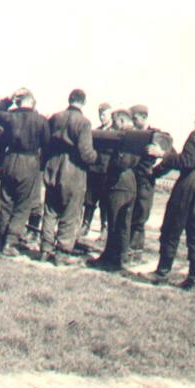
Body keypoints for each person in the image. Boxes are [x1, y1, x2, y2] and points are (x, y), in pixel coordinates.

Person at [146, 106, 195, 290]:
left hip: (188, 187)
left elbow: (187, 161)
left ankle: (162, 272)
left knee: (171, 230)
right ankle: (194, 279)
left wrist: (163, 154)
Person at [0, 88, 49, 256]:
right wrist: (41, 166)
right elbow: (47, 145)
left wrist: (9, 100)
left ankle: (2, 239)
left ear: (20, 102)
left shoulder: (10, 117)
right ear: (32, 102)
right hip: (29, 162)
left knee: (7, 201)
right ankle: (11, 242)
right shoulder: (41, 121)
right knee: (23, 205)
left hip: (9, 159)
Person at [40, 89, 98, 264]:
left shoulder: (55, 117)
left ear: (69, 99)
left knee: (50, 210)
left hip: (53, 165)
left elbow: (46, 143)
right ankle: (62, 254)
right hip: (72, 169)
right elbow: (86, 153)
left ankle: (45, 250)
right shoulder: (84, 123)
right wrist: (96, 158)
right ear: (83, 102)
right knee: (70, 212)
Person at [87, 109, 139, 271]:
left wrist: (109, 161)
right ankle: (116, 257)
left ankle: (114, 260)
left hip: (119, 184)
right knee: (121, 224)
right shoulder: (138, 137)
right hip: (129, 183)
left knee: (117, 223)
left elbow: (123, 162)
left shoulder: (127, 137)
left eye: (116, 123)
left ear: (122, 121)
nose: (115, 127)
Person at [129, 104, 162, 254]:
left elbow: (168, 156)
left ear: (143, 117)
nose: (133, 121)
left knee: (140, 217)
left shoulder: (156, 135)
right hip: (131, 180)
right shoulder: (132, 135)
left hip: (145, 182)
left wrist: (154, 173)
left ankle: (135, 251)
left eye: (135, 118)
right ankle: (127, 249)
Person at [81, 102, 114, 238]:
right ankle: (85, 225)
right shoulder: (96, 131)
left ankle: (104, 228)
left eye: (104, 114)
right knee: (90, 200)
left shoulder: (115, 132)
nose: (101, 117)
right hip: (94, 170)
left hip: (107, 171)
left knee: (105, 202)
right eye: (100, 114)